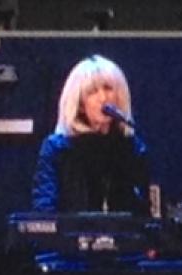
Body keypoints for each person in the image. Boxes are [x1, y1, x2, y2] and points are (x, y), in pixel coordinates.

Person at [32, 54, 150, 215]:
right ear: (80, 104)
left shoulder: (132, 148)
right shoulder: (57, 149)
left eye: (108, 88)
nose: (103, 98)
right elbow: (45, 209)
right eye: (92, 92)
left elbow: (141, 214)